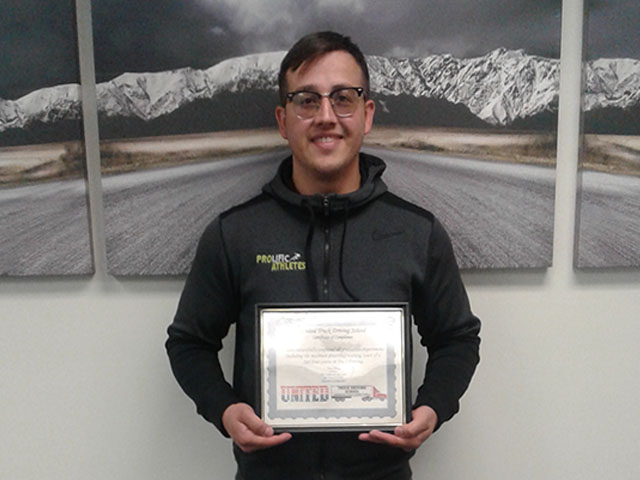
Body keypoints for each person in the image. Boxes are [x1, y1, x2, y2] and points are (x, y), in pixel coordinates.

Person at [166, 31, 481, 480]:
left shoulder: (417, 232)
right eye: (307, 101)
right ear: (283, 120)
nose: (326, 117)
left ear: (367, 115)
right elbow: (188, 344)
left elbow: (457, 339)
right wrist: (224, 409)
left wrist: (433, 407)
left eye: (343, 99)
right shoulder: (234, 234)